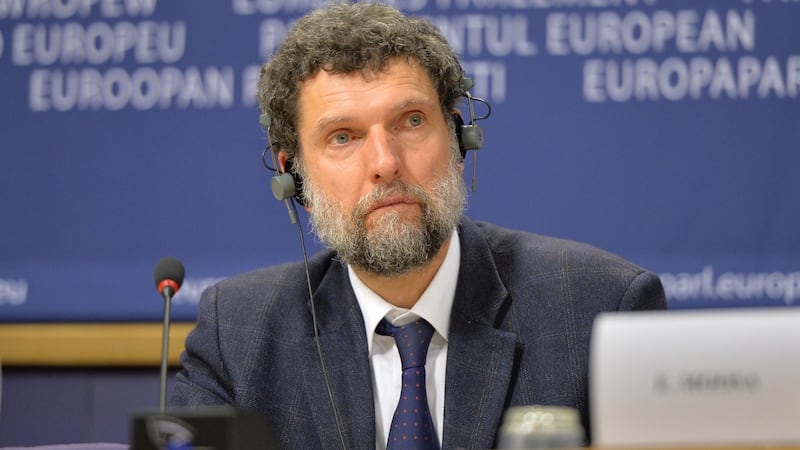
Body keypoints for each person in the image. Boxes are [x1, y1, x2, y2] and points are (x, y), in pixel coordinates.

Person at [169, 2, 667, 449]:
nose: (385, 163)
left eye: (410, 121)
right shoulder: (238, 335)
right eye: (343, 137)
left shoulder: (599, 310)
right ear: (292, 175)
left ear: (457, 138)